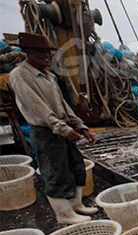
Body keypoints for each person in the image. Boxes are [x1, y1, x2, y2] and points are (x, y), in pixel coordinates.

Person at [9, 32, 97, 225]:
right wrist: (63, 129)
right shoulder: (20, 75)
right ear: (27, 52)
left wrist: (80, 126)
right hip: (46, 132)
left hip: (61, 128)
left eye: (48, 52)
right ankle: (64, 214)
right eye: (40, 52)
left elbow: (63, 105)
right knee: (55, 173)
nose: (47, 55)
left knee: (76, 166)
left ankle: (76, 205)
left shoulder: (49, 76)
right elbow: (37, 107)